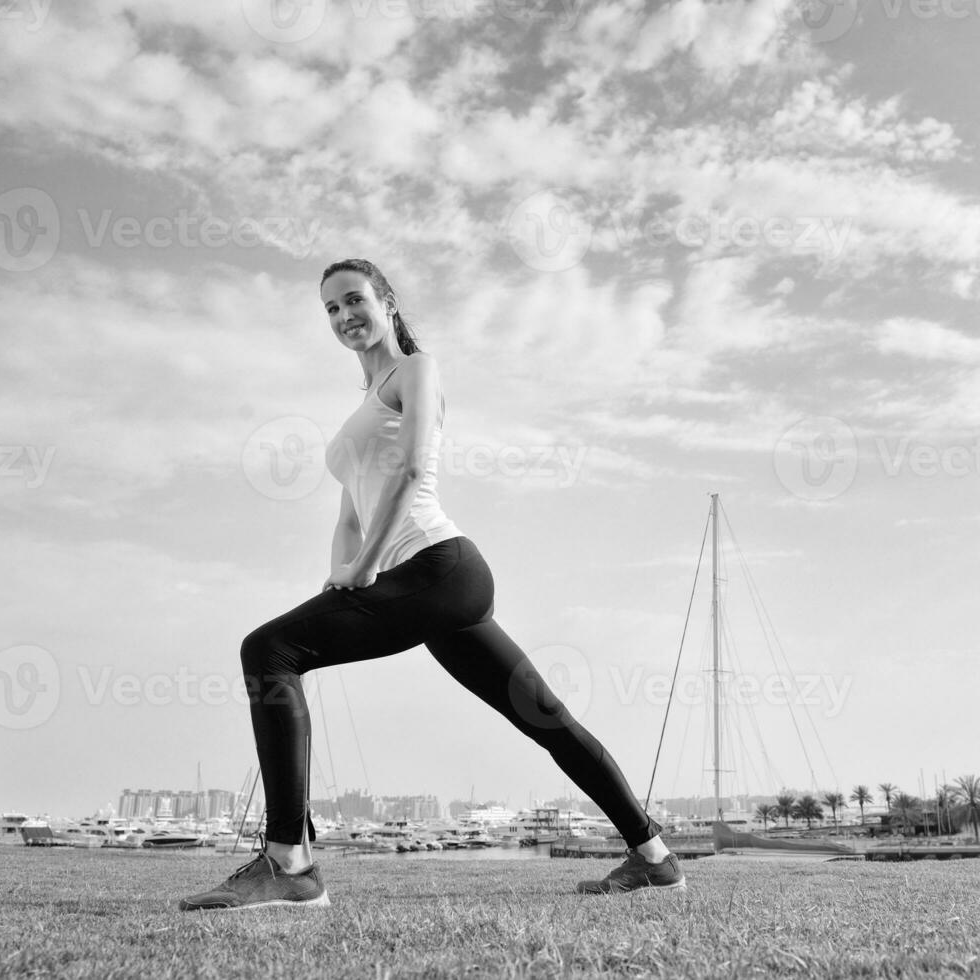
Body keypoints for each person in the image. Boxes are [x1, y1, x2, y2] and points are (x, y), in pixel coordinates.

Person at [179, 259, 684, 910]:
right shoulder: (363, 403)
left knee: (268, 651)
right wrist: (341, 576)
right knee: (546, 718)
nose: (343, 316)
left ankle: (290, 864)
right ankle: (654, 857)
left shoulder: (415, 370)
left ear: (387, 302)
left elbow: (415, 468)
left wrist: (362, 571)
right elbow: (350, 517)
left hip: (439, 567)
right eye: (330, 309)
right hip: (425, 585)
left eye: (354, 300)